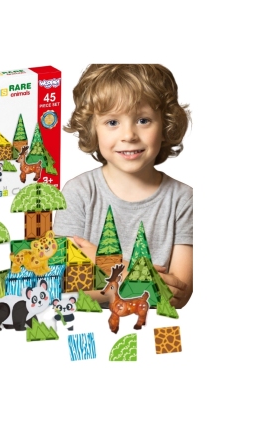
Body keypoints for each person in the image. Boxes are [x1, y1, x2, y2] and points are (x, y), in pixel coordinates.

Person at [52, 64, 192, 308]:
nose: (129, 135)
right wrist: (140, 280)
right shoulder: (78, 192)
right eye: (112, 122)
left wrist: (104, 263)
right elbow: (61, 286)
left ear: (165, 125)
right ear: (92, 128)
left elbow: (177, 295)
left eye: (143, 120)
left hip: (153, 326)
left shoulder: (183, 199)